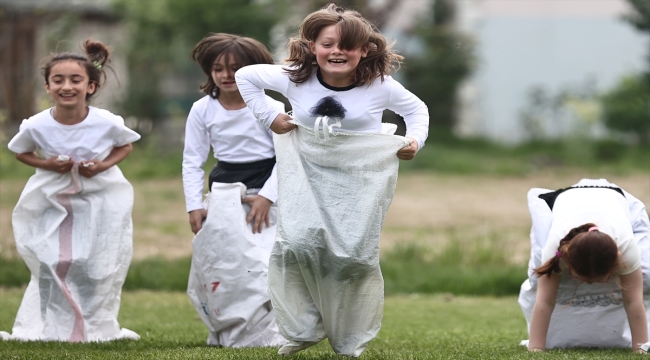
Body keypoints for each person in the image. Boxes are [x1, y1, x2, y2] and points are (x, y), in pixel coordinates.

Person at [235, 3, 429, 356]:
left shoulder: (380, 86)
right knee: (298, 243)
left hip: (360, 182)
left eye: (347, 46)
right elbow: (245, 76)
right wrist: (270, 116)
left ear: (364, 50)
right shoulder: (294, 75)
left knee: (352, 258)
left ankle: (348, 338)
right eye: (327, 44)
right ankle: (303, 327)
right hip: (306, 175)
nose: (336, 51)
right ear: (312, 47)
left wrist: (415, 141)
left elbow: (417, 110)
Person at [1, 40, 140, 342]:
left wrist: (102, 166)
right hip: (52, 196)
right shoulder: (36, 125)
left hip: (99, 196)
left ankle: (94, 324)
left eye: (75, 80)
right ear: (48, 87)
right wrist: (47, 164)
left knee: (92, 261)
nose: (67, 86)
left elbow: (125, 145)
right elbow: (21, 152)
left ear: (90, 86)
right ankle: (50, 324)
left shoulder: (106, 122)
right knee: (54, 259)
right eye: (58, 80)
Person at [183, 33, 287, 347]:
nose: (227, 75)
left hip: (265, 192)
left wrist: (267, 198)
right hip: (223, 194)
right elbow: (193, 160)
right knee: (226, 266)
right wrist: (194, 205)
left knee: (261, 264)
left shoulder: (270, 106)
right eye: (219, 68)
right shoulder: (202, 110)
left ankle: (270, 334)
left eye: (237, 68)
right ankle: (227, 330)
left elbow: (286, 158)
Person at [519, 178, 650, 353]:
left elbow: (633, 300)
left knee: (646, 274)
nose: (590, 284)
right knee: (539, 271)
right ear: (567, 259)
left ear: (617, 258)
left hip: (616, 198)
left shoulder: (626, 247)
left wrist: (640, 349)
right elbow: (545, 300)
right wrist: (535, 348)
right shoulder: (555, 247)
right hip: (567, 198)